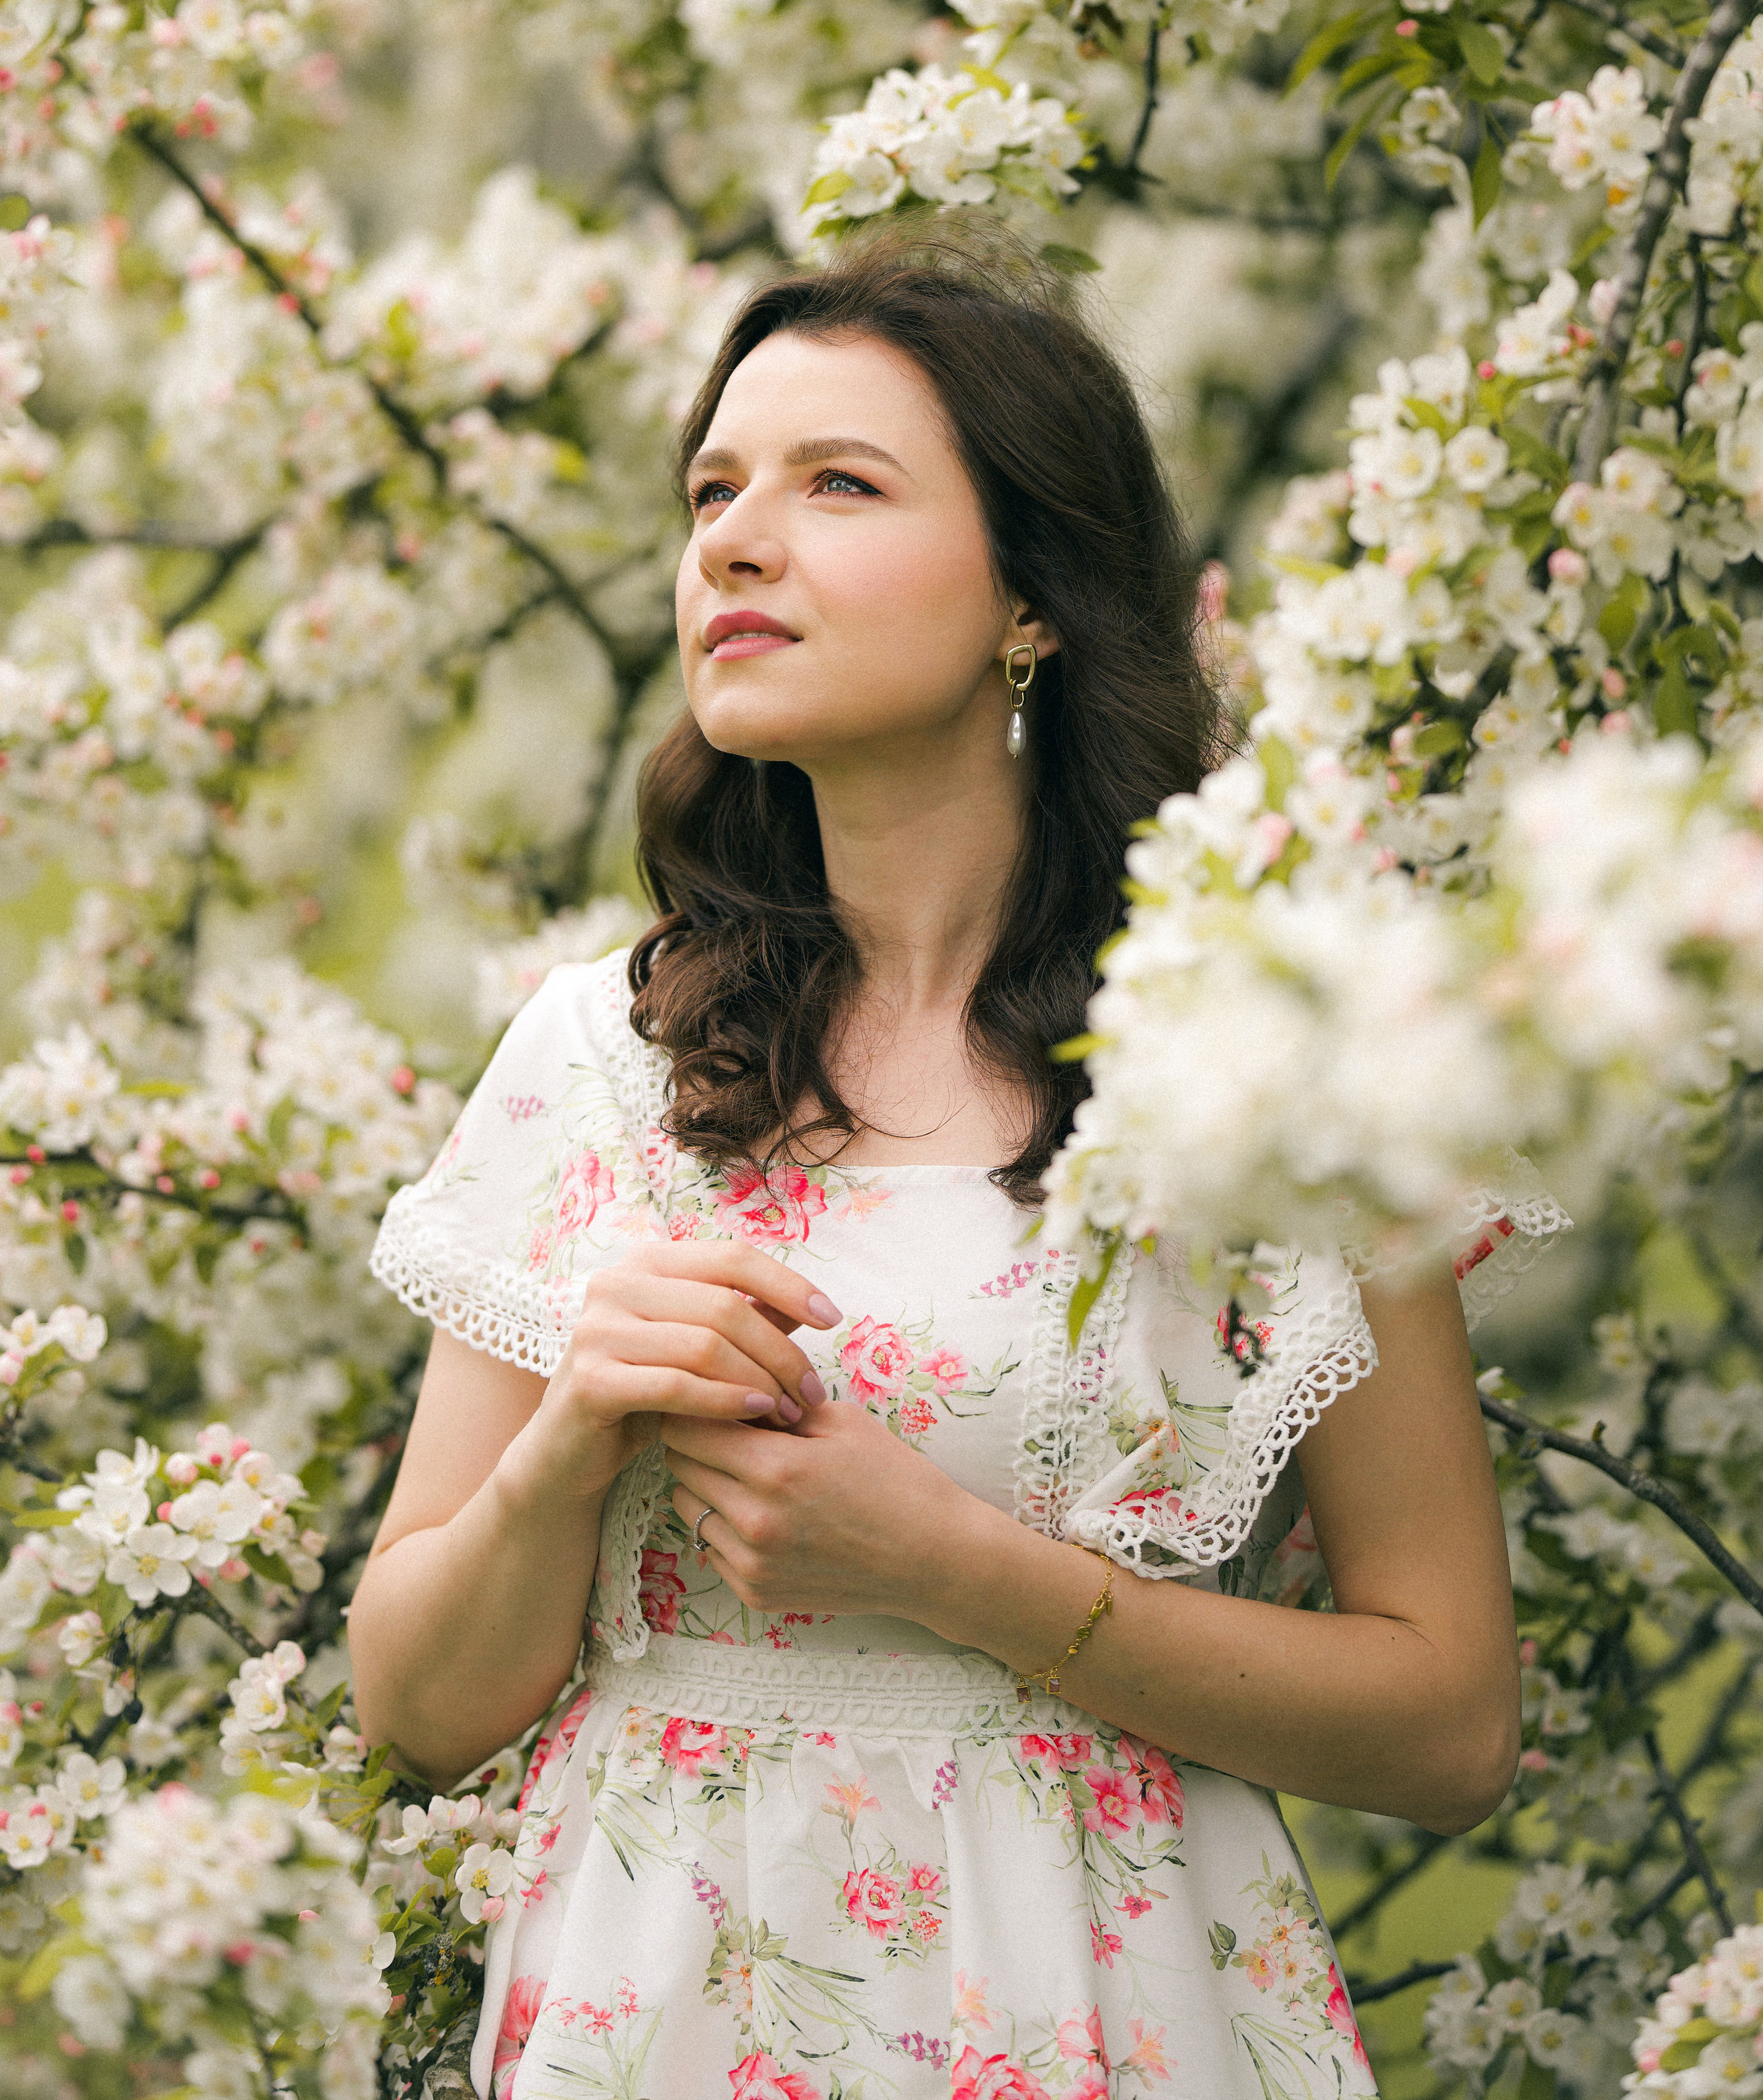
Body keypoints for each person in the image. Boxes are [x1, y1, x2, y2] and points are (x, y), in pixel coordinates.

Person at [351, 221, 1538, 2100]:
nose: (735, 538)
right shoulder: (601, 1065)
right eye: (715, 489)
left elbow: (1453, 1720)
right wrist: (568, 1447)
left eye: (839, 485)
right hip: (659, 2009)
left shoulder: (1258, 1075)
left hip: (1099, 1998)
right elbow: (416, 1706)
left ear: (1033, 600)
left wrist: (952, 1573)